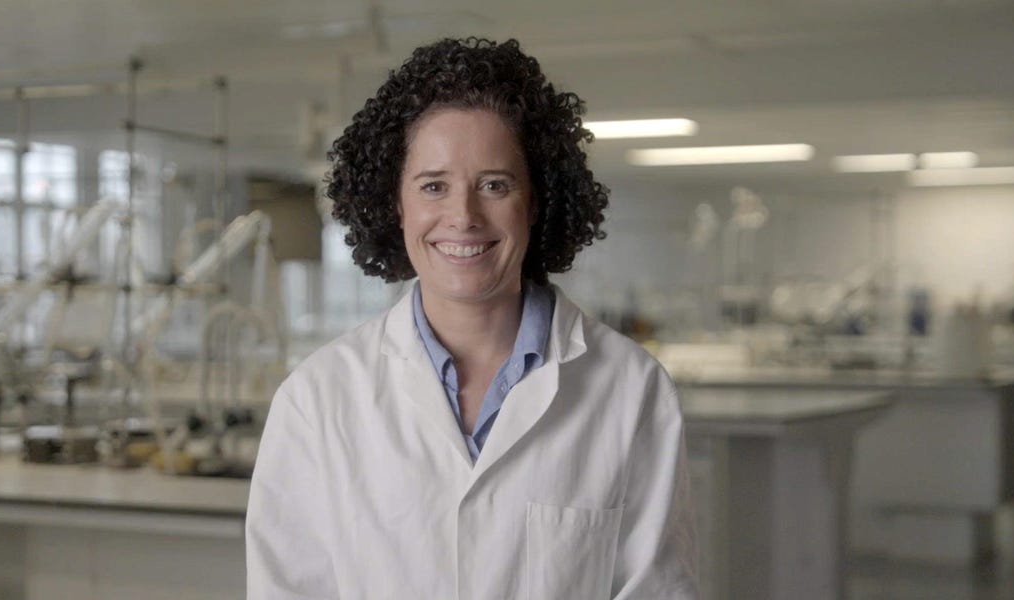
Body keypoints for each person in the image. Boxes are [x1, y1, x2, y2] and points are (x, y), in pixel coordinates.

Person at [246, 37, 698, 599]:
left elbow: (658, 589)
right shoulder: (317, 397)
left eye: (494, 185)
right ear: (396, 204)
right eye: (433, 186)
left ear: (536, 202)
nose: (463, 216)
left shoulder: (630, 388)